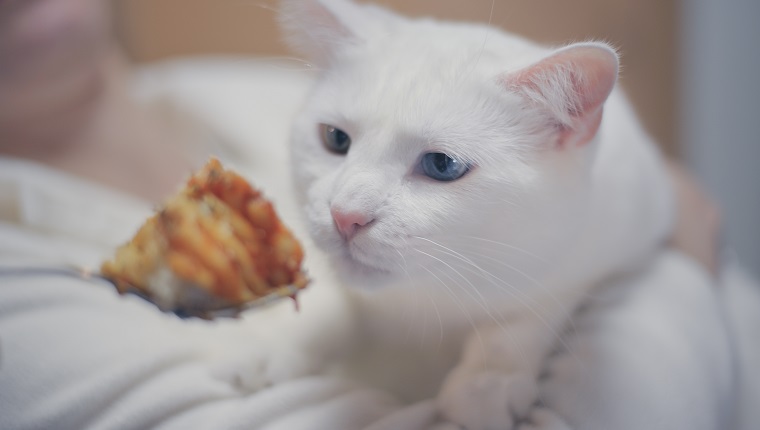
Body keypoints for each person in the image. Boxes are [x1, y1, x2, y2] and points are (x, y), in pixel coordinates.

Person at [0, 1, 722, 429]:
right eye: (337, 144)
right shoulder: (17, 293)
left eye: (440, 165)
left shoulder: (230, 90)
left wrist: (527, 329)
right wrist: (686, 262)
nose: (345, 207)